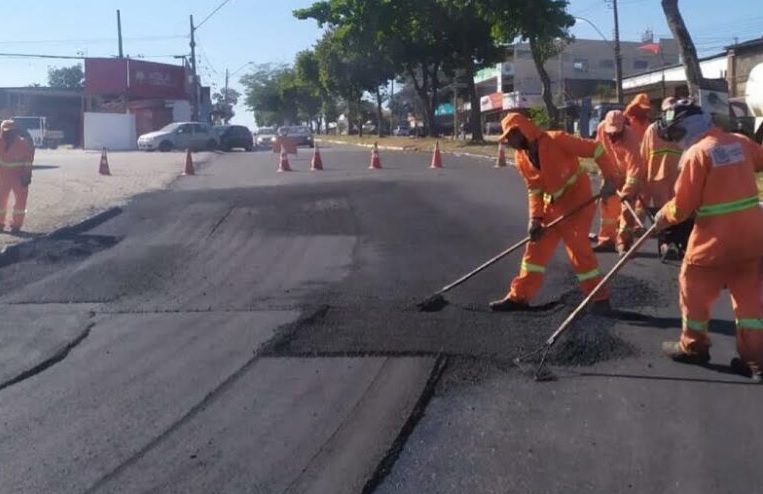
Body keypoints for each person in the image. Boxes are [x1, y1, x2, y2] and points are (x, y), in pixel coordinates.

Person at [653, 99, 763, 382]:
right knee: (750, 300)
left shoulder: (696, 154)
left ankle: (693, 347)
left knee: (693, 290)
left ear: (689, 126)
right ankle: (755, 361)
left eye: (677, 134)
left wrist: (663, 216)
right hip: (752, 240)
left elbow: (683, 206)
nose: (677, 142)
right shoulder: (739, 142)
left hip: (712, 244)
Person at [489, 112, 620, 314]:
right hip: (553, 205)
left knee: (578, 249)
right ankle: (519, 296)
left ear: (522, 131)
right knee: (535, 250)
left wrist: (610, 178)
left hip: (578, 199)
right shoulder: (521, 157)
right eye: (506, 138)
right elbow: (534, 189)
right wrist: (535, 218)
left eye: (511, 136)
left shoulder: (557, 140)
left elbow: (597, 148)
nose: (509, 142)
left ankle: (599, 299)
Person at [593, 110, 646, 255]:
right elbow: (598, 153)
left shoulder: (630, 137)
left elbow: (634, 167)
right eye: (610, 133)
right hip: (610, 173)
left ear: (624, 126)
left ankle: (624, 243)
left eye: (617, 133)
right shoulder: (601, 129)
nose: (612, 136)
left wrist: (628, 191)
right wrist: (607, 177)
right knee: (607, 207)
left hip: (629, 175)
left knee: (626, 210)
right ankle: (606, 240)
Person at [0, 120, 34, 233]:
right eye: (6, 132)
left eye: (10, 132)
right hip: (3, 176)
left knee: (20, 201)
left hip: (19, 177)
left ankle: (16, 225)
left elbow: (28, 161)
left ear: (15, 132)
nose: (8, 134)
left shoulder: (23, 144)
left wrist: (27, 176)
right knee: (1, 201)